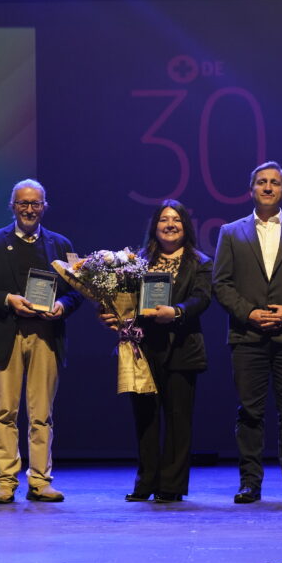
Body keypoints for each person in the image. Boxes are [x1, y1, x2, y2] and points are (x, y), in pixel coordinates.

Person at [212, 161, 282, 503]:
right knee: (250, 413)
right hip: (248, 337)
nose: (268, 187)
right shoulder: (231, 232)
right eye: (261, 182)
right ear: (251, 190)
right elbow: (221, 282)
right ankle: (250, 482)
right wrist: (249, 313)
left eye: (274, 183)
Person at [0, 179, 83, 504]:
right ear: (13, 206)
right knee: (4, 412)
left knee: (41, 414)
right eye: (23, 203)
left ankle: (40, 481)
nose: (29, 209)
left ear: (44, 206)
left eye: (35, 203)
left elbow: (78, 290)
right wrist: (8, 298)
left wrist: (62, 306)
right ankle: (5, 481)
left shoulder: (61, 244)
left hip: (45, 336)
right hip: (4, 334)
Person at [99, 200, 213, 503]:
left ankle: (171, 486)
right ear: (155, 226)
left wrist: (175, 312)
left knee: (178, 420)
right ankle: (145, 482)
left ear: (185, 226)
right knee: (145, 419)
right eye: (164, 219)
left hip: (182, 349)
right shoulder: (138, 262)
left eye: (176, 219)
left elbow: (202, 299)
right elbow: (124, 302)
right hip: (143, 349)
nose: (170, 224)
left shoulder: (200, 262)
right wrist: (113, 314)